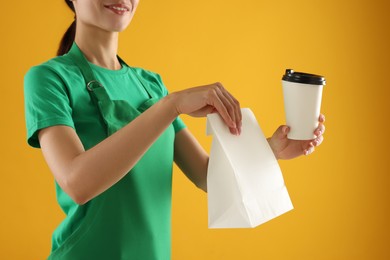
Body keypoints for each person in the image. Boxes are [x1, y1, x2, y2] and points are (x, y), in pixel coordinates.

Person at [24, 0, 326, 259]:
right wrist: (170, 106)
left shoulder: (150, 84)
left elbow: (207, 176)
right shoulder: (49, 79)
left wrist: (270, 150)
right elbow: (77, 183)